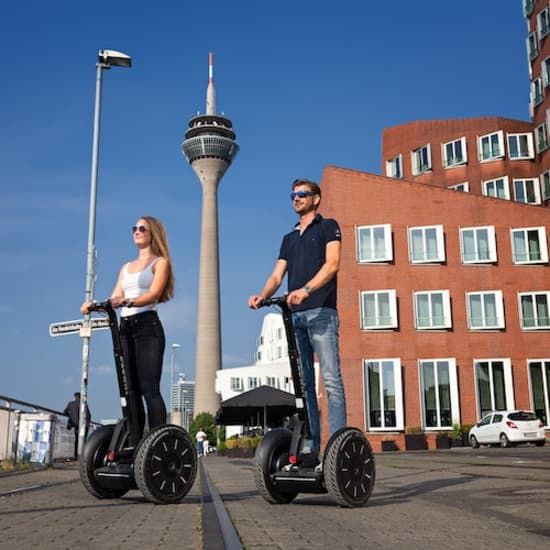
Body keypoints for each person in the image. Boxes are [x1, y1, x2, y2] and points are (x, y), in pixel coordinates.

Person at [248, 178, 347, 465]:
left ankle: (338, 446)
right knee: (304, 385)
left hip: (321, 313)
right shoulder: (289, 238)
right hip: (295, 317)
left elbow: (332, 264)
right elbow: (277, 275)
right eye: (293, 194)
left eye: (302, 194)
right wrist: (262, 295)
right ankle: (310, 446)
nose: (296, 198)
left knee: (331, 381)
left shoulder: (328, 227)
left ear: (316, 198)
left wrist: (306, 290)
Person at [81, 216, 174, 439]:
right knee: (129, 389)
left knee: (149, 388)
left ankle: (156, 439)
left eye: (142, 228)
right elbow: (115, 296)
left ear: (153, 234)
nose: (137, 231)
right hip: (125, 327)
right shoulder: (126, 268)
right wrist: (93, 305)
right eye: (135, 228)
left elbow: (153, 294)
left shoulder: (160, 263)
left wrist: (129, 302)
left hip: (147, 326)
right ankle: (135, 441)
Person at [63, 392, 90, 459]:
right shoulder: (83, 404)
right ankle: (82, 455)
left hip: (74, 425)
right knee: (83, 440)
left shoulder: (70, 404)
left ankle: (76, 455)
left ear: (74, 397)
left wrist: (71, 416)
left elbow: (64, 412)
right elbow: (88, 415)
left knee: (76, 440)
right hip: (83, 425)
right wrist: (87, 423)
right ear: (80, 397)